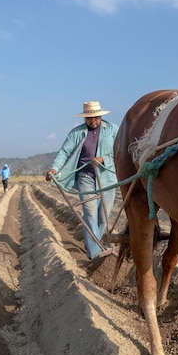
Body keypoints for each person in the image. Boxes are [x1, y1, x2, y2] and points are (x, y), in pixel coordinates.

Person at [46, 101, 119, 260]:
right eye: (89, 118)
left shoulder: (113, 130)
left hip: (107, 177)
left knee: (103, 217)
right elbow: (64, 152)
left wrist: (103, 159)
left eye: (96, 117)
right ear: (85, 118)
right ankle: (95, 255)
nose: (93, 121)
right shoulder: (76, 133)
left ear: (101, 116)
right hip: (85, 176)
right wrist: (54, 169)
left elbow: (119, 152)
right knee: (90, 214)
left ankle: (96, 244)